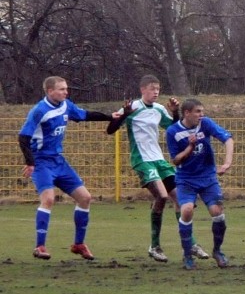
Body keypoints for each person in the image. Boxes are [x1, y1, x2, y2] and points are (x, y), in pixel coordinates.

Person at [106, 75, 209, 263]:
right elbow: (110, 129)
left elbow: (173, 127)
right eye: (153, 89)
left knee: (180, 198)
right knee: (161, 196)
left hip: (159, 160)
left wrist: (175, 112)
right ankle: (155, 246)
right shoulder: (132, 107)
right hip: (142, 160)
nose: (156, 92)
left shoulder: (160, 109)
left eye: (158, 89)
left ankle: (190, 243)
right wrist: (125, 114)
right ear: (142, 89)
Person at [19, 76, 114, 260]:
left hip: (58, 161)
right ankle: (40, 246)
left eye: (66, 88)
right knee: (48, 199)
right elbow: (23, 137)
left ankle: (78, 244)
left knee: (85, 197)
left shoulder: (66, 105)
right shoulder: (39, 111)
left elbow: (85, 115)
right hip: (41, 161)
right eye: (61, 89)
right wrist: (30, 162)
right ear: (49, 91)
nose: (66, 92)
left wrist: (111, 116)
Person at [166, 98, 234, 270]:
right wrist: (190, 147)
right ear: (187, 113)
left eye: (202, 112)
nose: (201, 115)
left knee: (217, 211)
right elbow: (175, 160)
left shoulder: (205, 124)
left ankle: (218, 251)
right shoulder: (172, 131)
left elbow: (228, 139)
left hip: (208, 177)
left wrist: (226, 163)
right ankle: (188, 254)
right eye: (198, 112)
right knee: (187, 210)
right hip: (186, 179)